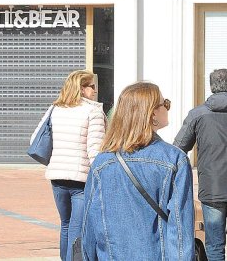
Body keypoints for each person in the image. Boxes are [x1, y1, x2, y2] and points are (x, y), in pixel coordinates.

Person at [81, 82, 194, 260]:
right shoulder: (174, 159)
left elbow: (89, 225)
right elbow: (180, 228)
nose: (167, 108)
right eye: (165, 103)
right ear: (152, 113)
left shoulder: (102, 163)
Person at [30, 69, 106, 261]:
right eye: (92, 86)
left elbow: (35, 138)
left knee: (65, 224)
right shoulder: (93, 111)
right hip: (81, 179)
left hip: (57, 176)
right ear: (82, 88)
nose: (95, 91)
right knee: (76, 228)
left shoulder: (56, 108)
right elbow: (95, 150)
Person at [174, 68, 227, 260]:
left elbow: (178, 148)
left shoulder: (198, 114)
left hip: (212, 188)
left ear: (212, 87)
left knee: (214, 245)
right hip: (212, 188)